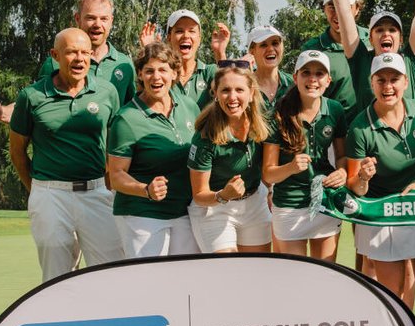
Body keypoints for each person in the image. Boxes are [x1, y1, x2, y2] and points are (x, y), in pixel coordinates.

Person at [8, 28, 125, 281]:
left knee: (112, 270)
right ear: (55, 55)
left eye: (85, 52)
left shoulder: (107, 92)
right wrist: (37, 189)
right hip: (50, 195)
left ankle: (108, 320)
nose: (79, 59)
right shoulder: (31, 96)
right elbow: (17, 151)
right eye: (71, 52)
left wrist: (108, 185)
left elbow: (116, 146)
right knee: (57, 276)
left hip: (96, 193)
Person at [345, 53, 415, 326]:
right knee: (392, 290)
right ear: (372, 83)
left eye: (394, 79)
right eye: (381, 80)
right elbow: (355, 184)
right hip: (382, 213)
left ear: (405, 82)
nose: (388, 86)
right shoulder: (360, 127)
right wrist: (363, 177)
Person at [105, 41, 202, 257]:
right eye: (148, 71)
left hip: (183, 212)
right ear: (140, 74)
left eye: (162, 70)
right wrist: (145, 190)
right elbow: (116, 175)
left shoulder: (189, 106)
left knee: (184, 281)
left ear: (174, 74)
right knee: (148, 284)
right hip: (141, 214)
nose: (156, 77)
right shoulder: (126, 119)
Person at [0, 0, 135, 123]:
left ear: (111, 21)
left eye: (104, 19)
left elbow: (134, 112)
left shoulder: (125, 65)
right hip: (63, 151)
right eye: (90, 18)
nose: (97, 24)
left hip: (104, 155)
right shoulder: (56, 62)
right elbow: (35, 101)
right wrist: (2, 112)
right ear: (77, 19)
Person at [262, 50, 348, 261]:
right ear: (295, 77)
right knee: (294, 280)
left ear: (328, 80)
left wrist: (343, 172)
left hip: (326, 202)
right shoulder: (279, 114)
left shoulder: (335, 109)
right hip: (289, 205)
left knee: (325, 276)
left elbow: (342, 156)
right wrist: (291, 167)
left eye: (319, 74)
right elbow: (268, 175)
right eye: (306, 72)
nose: (312, 79)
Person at [187, 64, 273, 253]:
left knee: (258, 271)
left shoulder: (262, 125)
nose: (232, 97)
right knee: (227, 271)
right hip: (214, 208)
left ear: (251, 94)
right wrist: (223, 195)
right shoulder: (205, 137)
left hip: (254, 204)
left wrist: (270, 190)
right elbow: (199, 195)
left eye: (239, 90)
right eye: (225, 90)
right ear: (215, 94)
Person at [299, 0, 367, 115]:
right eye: (332, 6)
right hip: (333, 132)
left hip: (371, 129)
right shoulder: (312, 49)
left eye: (345, 7)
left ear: (357, 9)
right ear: (324, 8)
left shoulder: (372, 40)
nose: (338, 13)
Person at [137, 8, 231, 105]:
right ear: (169, 38)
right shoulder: (163, 75)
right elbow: (143, 99)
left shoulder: (209, 72)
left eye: (192, 31)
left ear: (199, 38)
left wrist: (220, 53)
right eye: (179, 31)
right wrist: (149, 54)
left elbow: (229, 90)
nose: (186, 36)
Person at [247, 25, 294, 113]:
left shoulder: (294, 84)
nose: (270, 49)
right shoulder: (244, 85)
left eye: (275, 43)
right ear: (252, 51)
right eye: (263, 45)